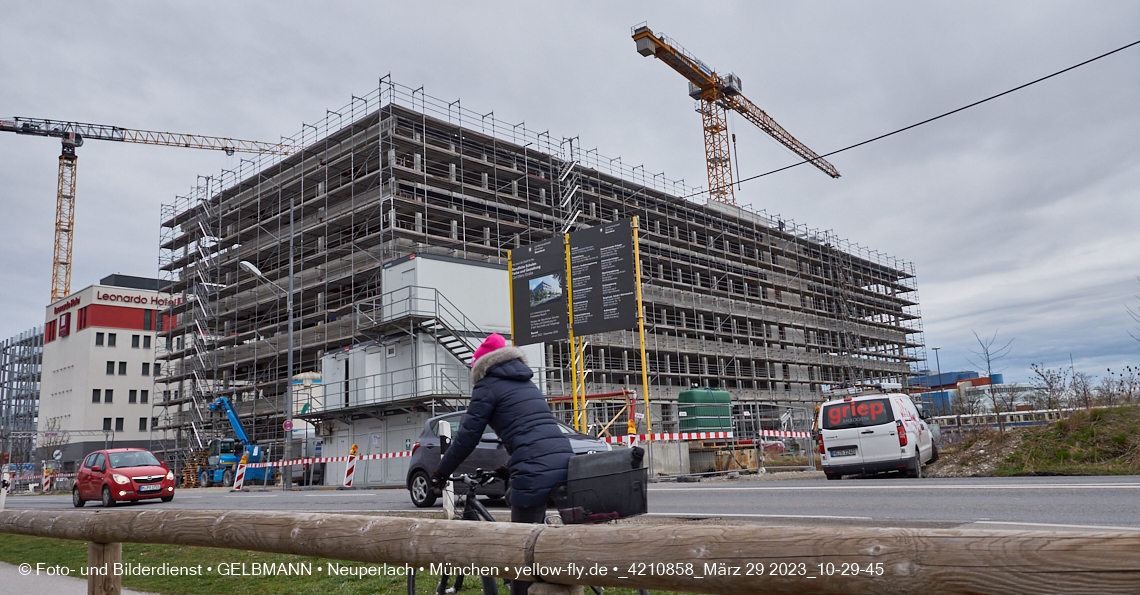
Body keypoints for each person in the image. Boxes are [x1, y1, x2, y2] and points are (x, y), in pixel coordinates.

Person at [433, 333, 573, 595]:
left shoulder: (487, 386)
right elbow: (532, 433)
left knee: (517, 548)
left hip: (534, 467)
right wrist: (508, 468)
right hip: (563, 457)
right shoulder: (526, 383)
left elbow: (467, 436)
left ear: (480, 365)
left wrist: (443, 471)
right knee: (517, 503)